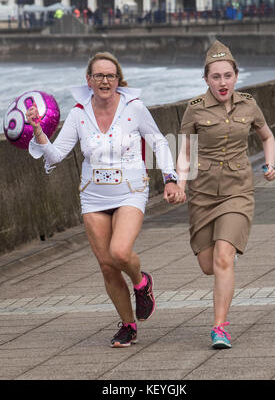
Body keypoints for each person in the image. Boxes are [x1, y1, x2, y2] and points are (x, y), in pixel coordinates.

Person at [26, 52, 185, 348]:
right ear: (88, 80)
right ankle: (127, 325)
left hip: (130, 190)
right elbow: (57, 155)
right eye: (98, 75)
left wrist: (171, 178)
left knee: (120, 252)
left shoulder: (133, 108)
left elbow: (159, 142)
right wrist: (37, 130)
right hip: (93, 194)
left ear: (118, 79)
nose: (104, 81)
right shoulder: (78, 113)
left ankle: (142, 283)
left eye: (110, 75)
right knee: (107, 266)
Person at [177, 40, 275, 349]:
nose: (222, 83)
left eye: (227, 76)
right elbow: (184, 153)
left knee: (223, 257)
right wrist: (179, 184)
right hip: (203, 194)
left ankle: (219, 327)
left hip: (238, 190)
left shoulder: (249, 105)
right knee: (209, 265)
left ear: (236, 76)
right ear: (206, 78)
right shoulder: (193, 109)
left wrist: (270, 164)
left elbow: (267, 135)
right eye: (215, 77)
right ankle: (224, 271)